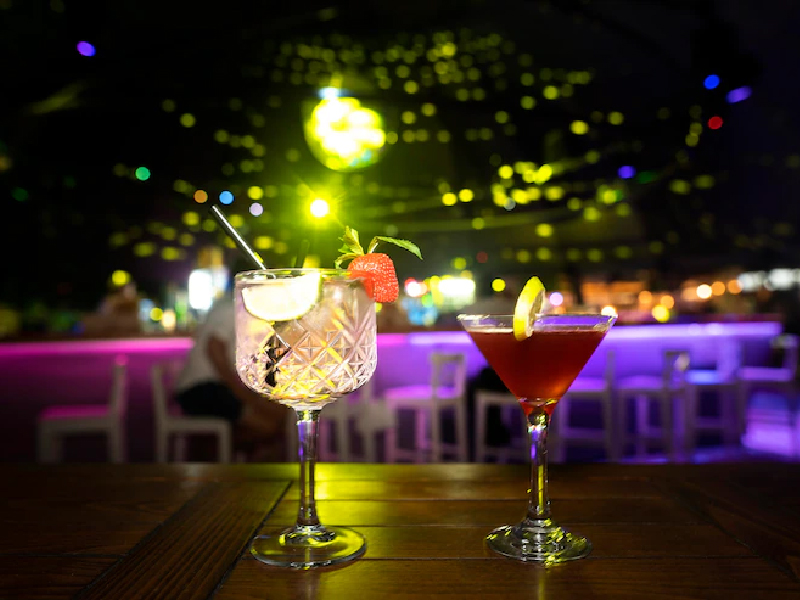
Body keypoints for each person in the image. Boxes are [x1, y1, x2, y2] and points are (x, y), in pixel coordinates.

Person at [173, 261, 287, 461]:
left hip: (208, 387)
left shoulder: (233, 304)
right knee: (269, 423)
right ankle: (212, 456)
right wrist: (240, 391)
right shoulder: (232, 307)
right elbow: (214, 348)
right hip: (201, 389)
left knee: (277, 416)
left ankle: (222, 455)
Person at [463, 278, 521, 461]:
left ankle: (486, 438)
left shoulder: (498, 306)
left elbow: (466, 311)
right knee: (482, 379)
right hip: (516, 375)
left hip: (515, 378)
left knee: (476, 383)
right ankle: (494, 433)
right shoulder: (516, 308)